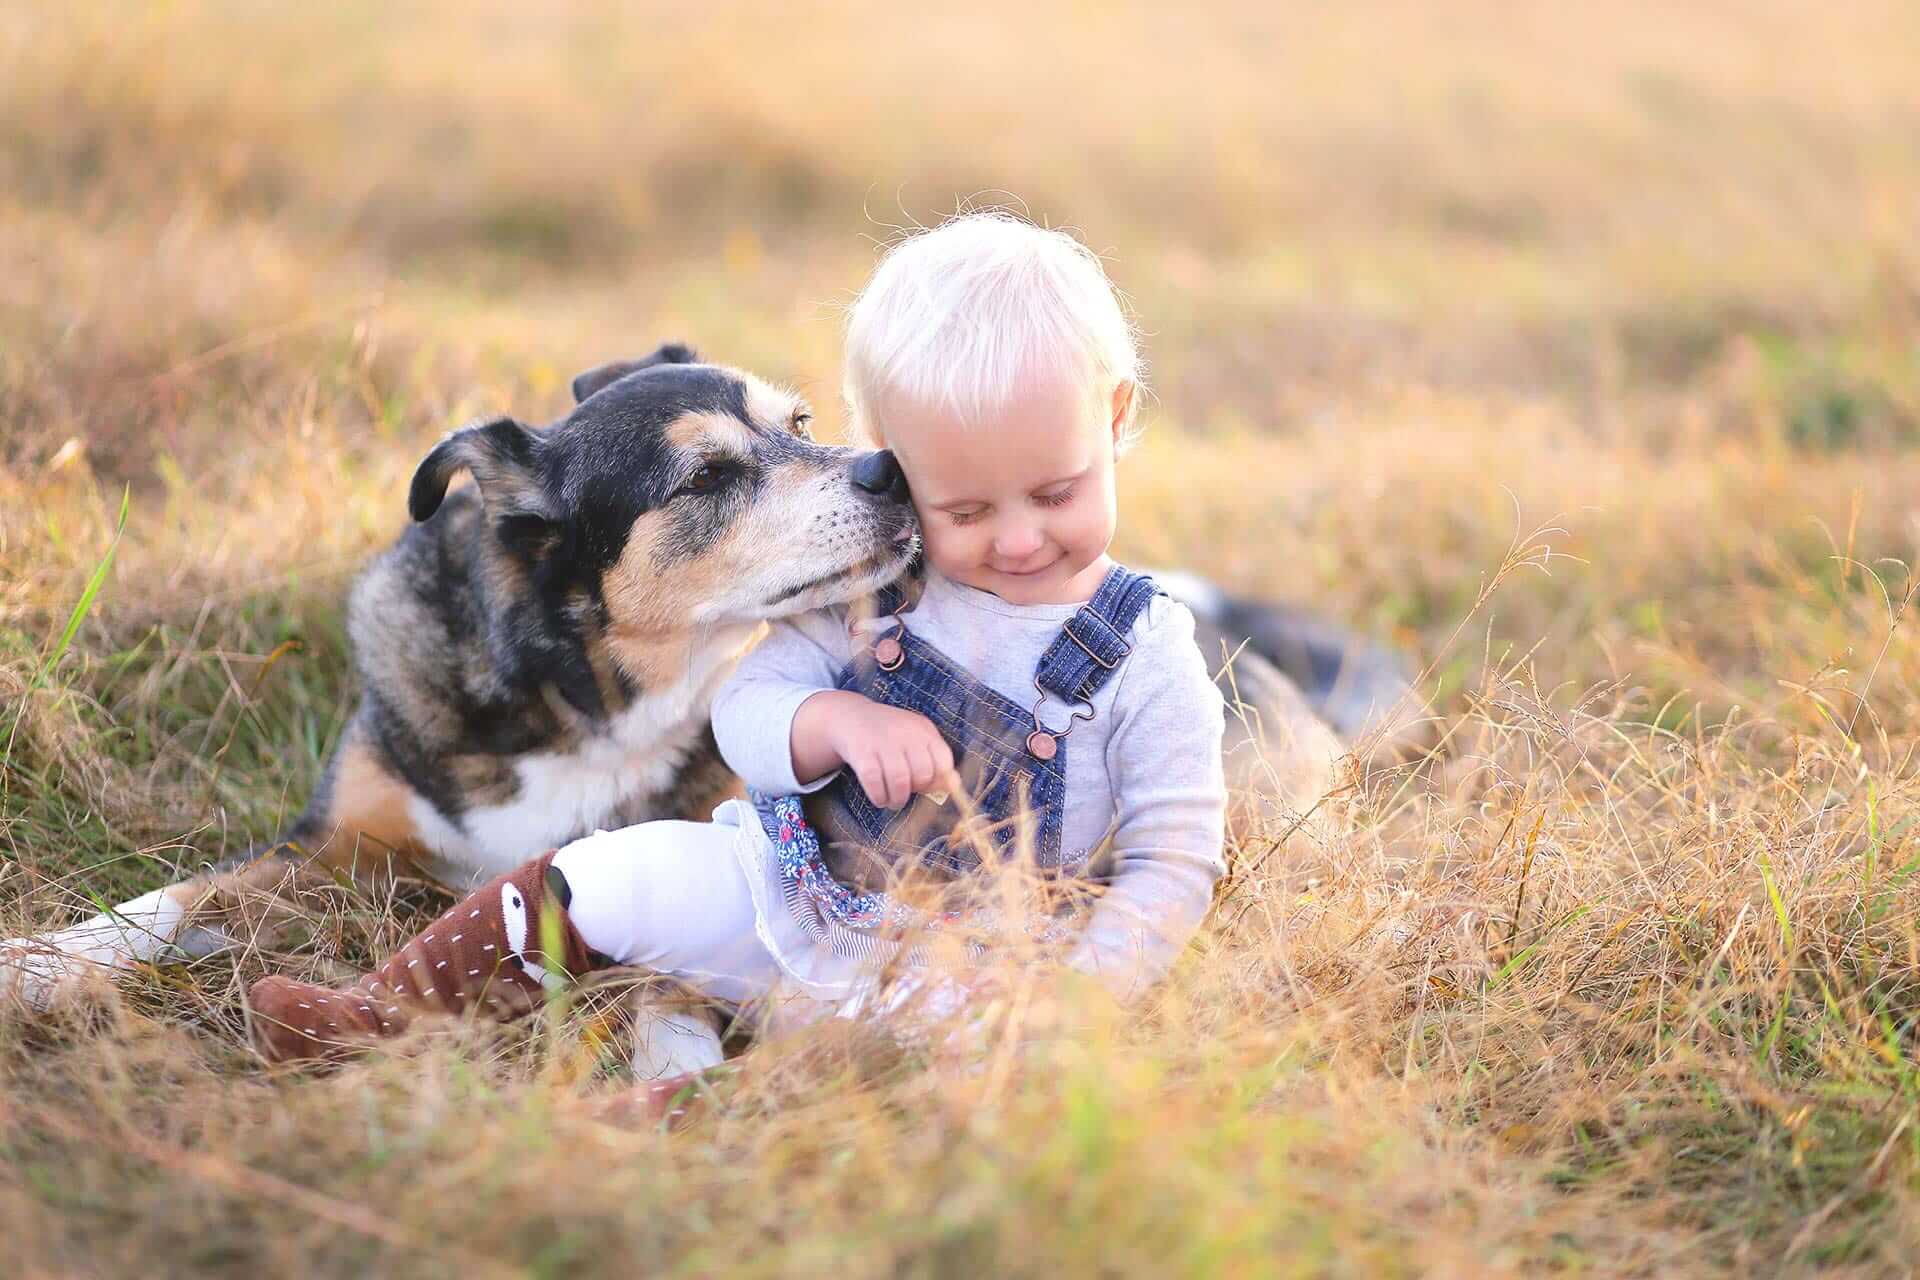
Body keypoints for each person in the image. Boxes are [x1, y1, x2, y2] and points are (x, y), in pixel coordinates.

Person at [245, 212, 1231, 1118]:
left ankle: (693, 1106)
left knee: (931, 1051)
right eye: (964, 508)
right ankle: (377, 1015)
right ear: (898, 454)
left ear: (1113, 423)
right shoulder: (876, 593)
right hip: (785, 893)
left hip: (973, 961)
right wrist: (829, 723)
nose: (1015, 541)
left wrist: (1076, 1000)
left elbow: (1175, 858)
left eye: (1052, 494)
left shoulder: (1148, 653)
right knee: (605, 874)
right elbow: (751, 704)